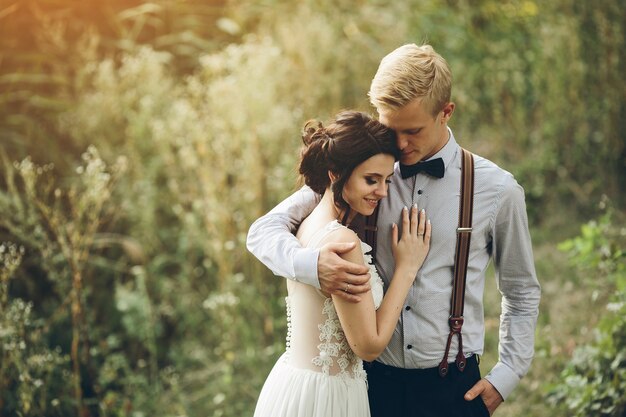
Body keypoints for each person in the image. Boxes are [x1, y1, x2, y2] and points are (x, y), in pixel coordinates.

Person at [247, 43, 541, 417]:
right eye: (391, 129)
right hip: (370, 386)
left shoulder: (497, 190)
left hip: (453, 388)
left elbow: (521, 290)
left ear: (446, 112)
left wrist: (508, 374)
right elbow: (263, 231)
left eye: (412, 131)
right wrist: (311, 266)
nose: (400, 145)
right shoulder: (359, 174)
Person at [252, 110, 432, 417]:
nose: (383, 192)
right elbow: (369, 346)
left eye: (387, 180)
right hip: (328, 399)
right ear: (335, 173)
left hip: (293, 385)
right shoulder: (344, 243)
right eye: (371, 180)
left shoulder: (304, 223)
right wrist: (407, 268)